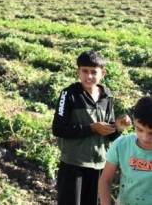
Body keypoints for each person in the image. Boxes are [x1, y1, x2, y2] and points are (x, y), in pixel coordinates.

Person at [51, 50, 131, 205]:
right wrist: (92, 128)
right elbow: (58, 129)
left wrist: (118, 127)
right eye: (84, 71)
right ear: (78, 72)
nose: (89, 76)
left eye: (94, 72)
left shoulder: (107, 97)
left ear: (103, 74)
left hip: (99, 165)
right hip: (73, 164)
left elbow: (108, 134)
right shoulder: (69, 94)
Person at [99, 96, 152, 205]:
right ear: (133, 121)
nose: (145, 137)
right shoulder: (121, 145)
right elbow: (105, 180)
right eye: (140, 129)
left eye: (151, 133)